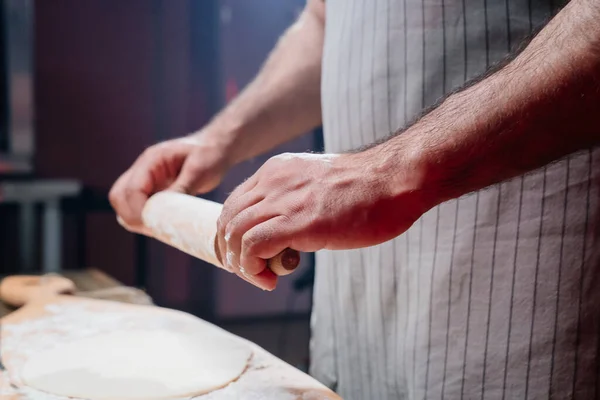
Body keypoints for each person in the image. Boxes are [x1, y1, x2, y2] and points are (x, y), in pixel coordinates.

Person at [110, 0, 600, 398]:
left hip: (518, 268)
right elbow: (326, 20)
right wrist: (217, 141)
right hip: (354, 301)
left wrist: (389, 171)